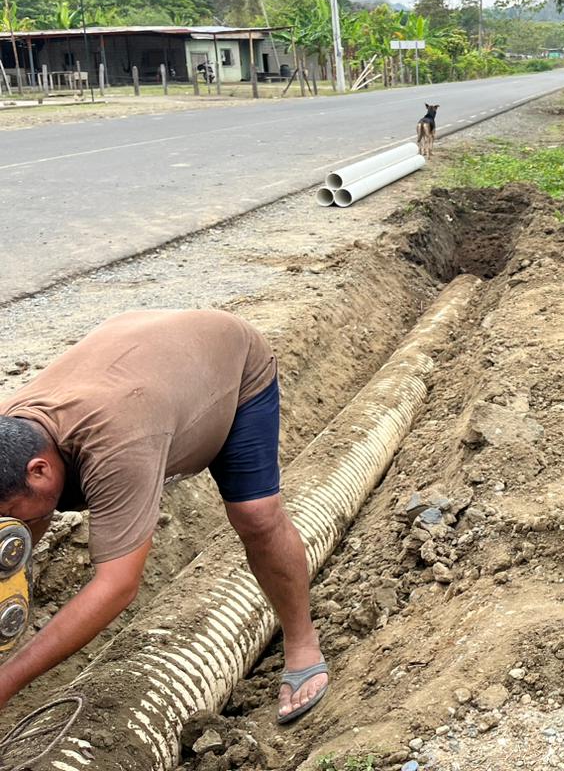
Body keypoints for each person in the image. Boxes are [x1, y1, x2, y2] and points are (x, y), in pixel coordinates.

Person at [0, 310, 328, 723]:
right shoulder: (12, 429)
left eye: (7, 512)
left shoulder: (117, 447)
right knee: (22, 525)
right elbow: (22, 525)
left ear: (39, 471)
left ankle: (302, 642)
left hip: (228, 362)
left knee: (255, 515)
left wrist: (7, 682)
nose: (7, 522)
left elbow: (117, 586)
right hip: (138, 351)